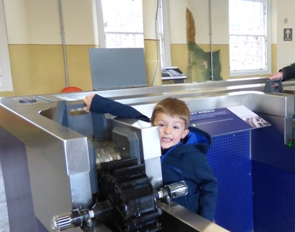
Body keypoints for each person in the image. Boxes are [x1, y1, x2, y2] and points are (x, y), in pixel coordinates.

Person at [83, 94, 218, 221]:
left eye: (175, 127)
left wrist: (206, 219)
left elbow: (209, 184)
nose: (167, 131)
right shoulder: (150, 142)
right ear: (151, 125)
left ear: (184, 133)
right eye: (161, 125)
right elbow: (131, 113)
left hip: (187, 216)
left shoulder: (194, 158)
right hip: (158, 213)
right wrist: (96, 103)